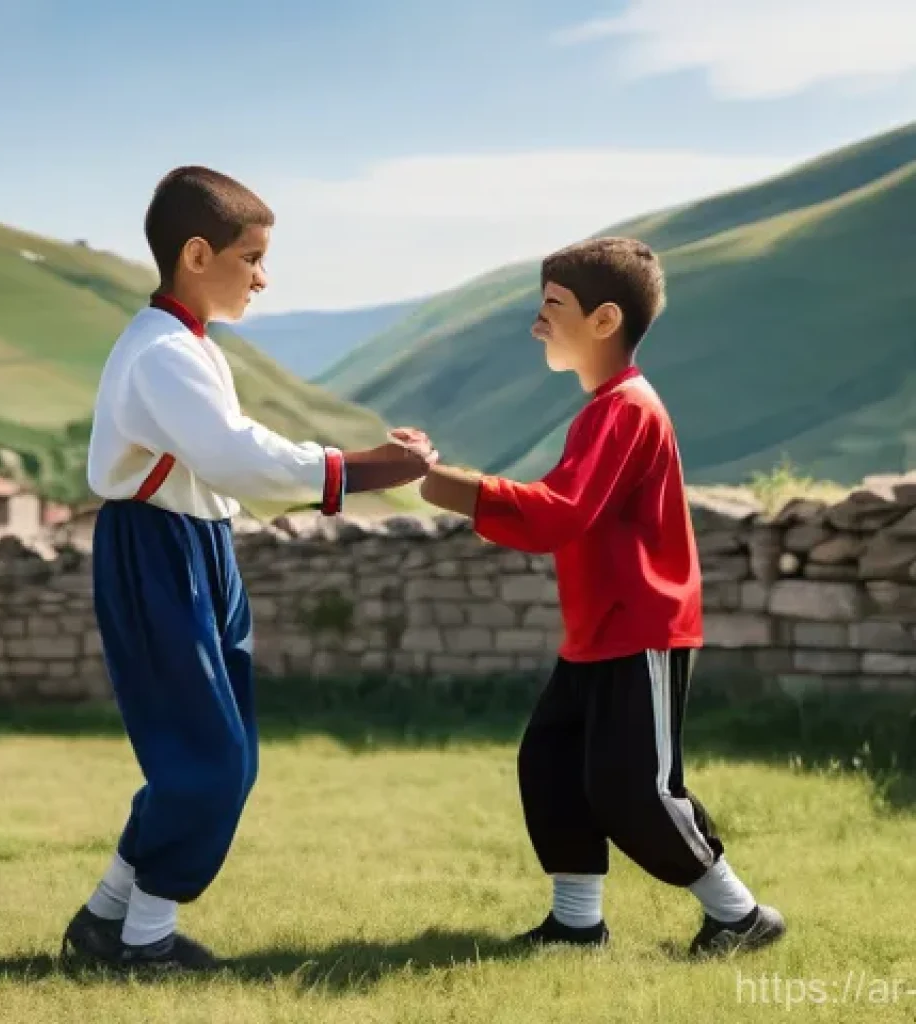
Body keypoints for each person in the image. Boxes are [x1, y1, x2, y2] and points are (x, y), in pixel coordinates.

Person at [61, 166, 436, 972]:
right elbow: (235, 457)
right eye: (252, 258)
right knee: (209, 760)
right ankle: (143, 942)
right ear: (198, 254)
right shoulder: (162, 353)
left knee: (223, 755)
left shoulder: (185, 346)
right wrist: (362, 468)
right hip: (158, 554)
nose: (263, 278)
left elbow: (228, 451)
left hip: (198, 549)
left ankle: (106, 922)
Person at [419, 237, 785, 957]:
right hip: (597, 633)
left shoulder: (625, 410)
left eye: (551, 306)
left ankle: (739, 915)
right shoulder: (604, 410)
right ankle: (577, 924)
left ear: (605, 319)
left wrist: (440, 483)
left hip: (641, 628)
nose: (536, 323)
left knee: (633, 790)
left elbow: (560, 511)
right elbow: (568, 515)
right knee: (551, 765)